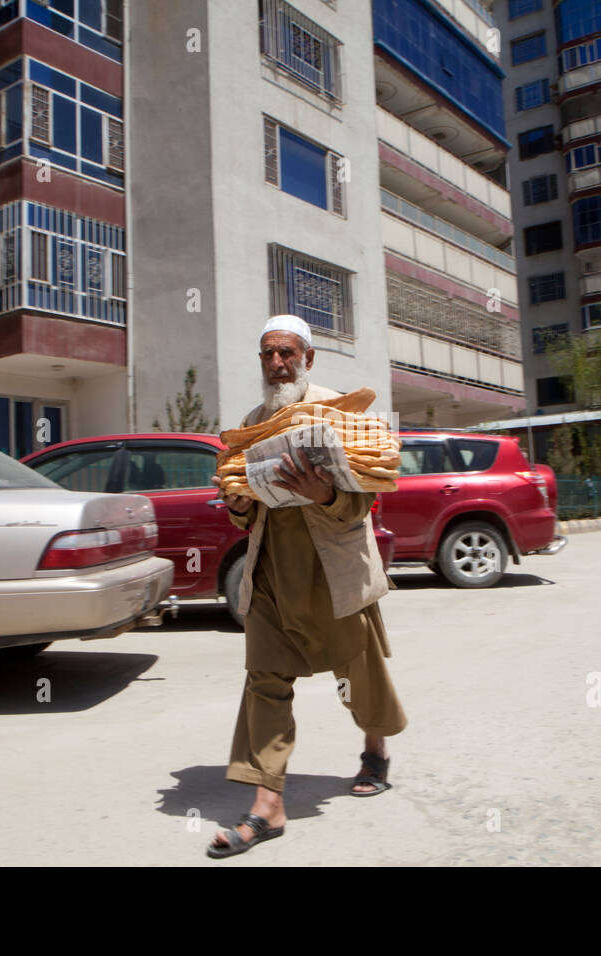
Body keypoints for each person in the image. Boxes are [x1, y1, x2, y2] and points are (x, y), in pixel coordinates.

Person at [206, 314, 407, 859]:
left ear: (308, 358)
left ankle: (375, 750)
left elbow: (366, 495)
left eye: (287, 353)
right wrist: (240, 503)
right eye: (268, 354)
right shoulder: (251, 422)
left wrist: (324, 494)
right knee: (264, 680)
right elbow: (243, 512)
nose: (277, 364)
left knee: (358, 675)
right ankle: (267, 804)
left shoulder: (337, 411)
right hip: (274, 570)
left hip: (333, 567)